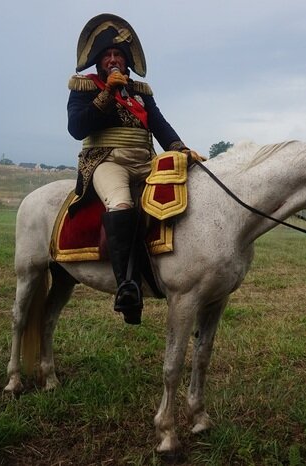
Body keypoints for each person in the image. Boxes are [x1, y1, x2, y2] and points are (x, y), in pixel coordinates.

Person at [66, 13, 204, 325]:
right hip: (106, 159)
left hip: (145, 159)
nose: (113, 60)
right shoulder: (84, 87)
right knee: (122, 204)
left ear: (126, 62)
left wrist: (180, 147)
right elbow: (77, 128)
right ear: (99, 62)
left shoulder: (141, 92)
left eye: (118, 55)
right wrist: (106, 94)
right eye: (107, 56)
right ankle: (127, 286)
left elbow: (159, 125)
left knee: (184, 185)